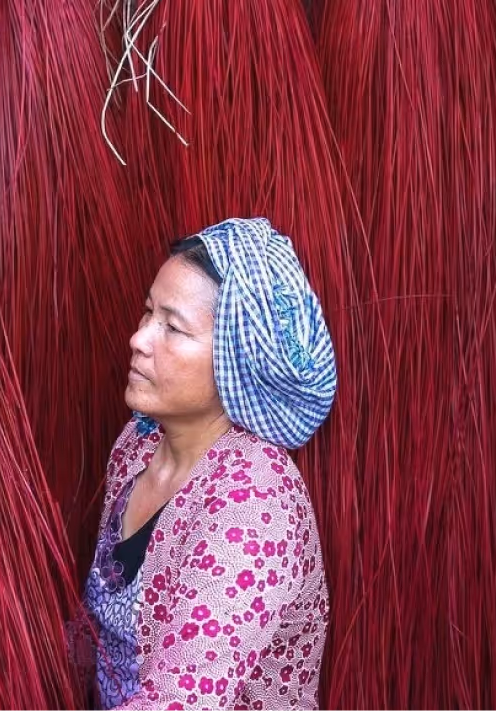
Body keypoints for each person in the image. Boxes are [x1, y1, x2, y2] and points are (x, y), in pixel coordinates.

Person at [82, 217, 337, 710]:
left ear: (235, 360)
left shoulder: (255, 506)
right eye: (147, 313)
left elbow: (181, 701)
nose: (139, 339)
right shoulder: (136, 444)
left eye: (172, 327)